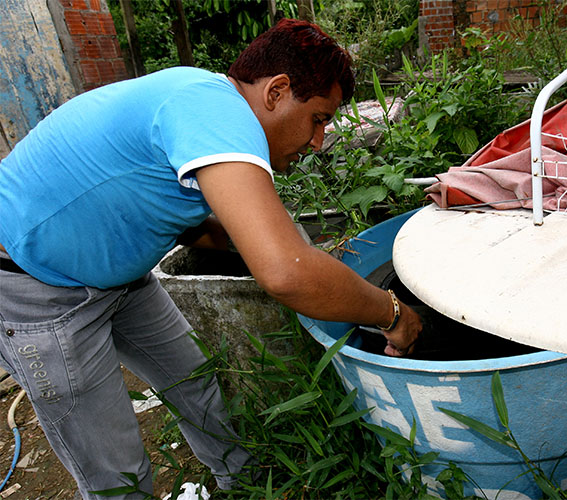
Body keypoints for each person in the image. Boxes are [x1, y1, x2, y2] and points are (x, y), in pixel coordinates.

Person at [0, 18, 422, 499]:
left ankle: (245, 487)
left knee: (198, 385)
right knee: (117, 471)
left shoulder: (205, 104)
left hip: (124, 280)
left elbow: (191, 220)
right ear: (277, 91)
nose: (318, 141)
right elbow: (286, 274)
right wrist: (392, 313)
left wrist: (294, 251)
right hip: (40, 289)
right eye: (319, 118)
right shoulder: (214, 112)